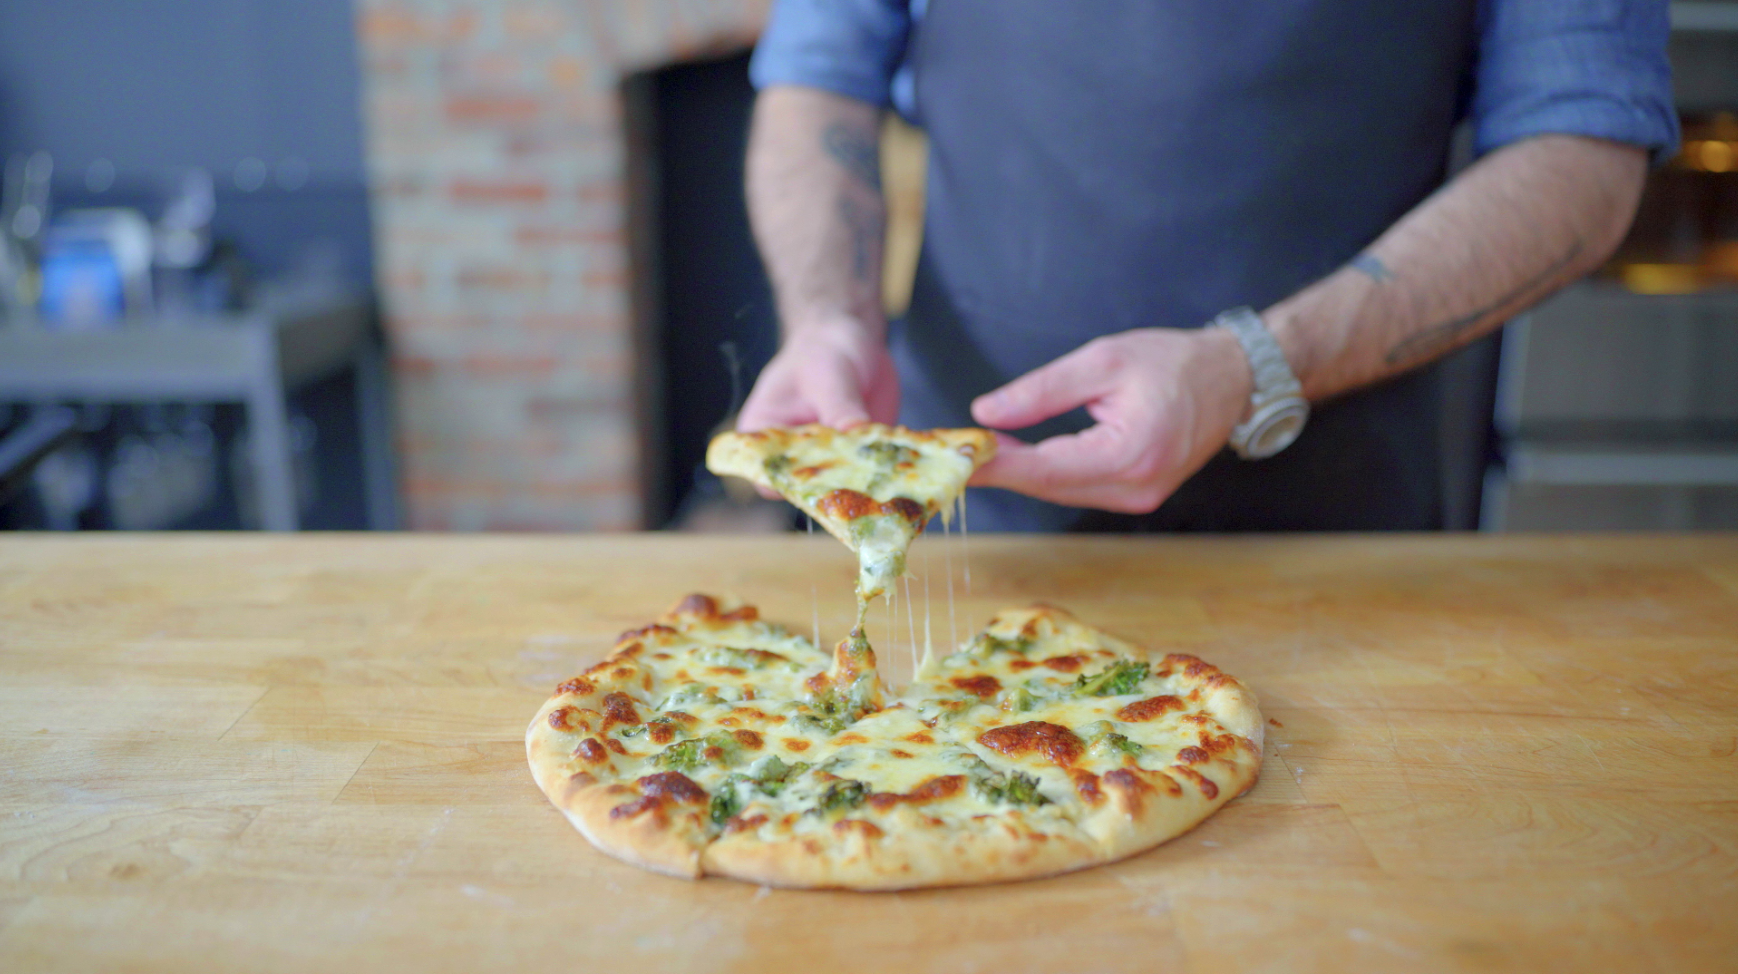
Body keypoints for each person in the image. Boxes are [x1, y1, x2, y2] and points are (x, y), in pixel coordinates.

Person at [735, 0, 1678, 532]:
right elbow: (821, 77)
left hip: (1332, 526)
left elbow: (1583, 148)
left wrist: (1251, 367)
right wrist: (829, 316)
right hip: (954, 513)